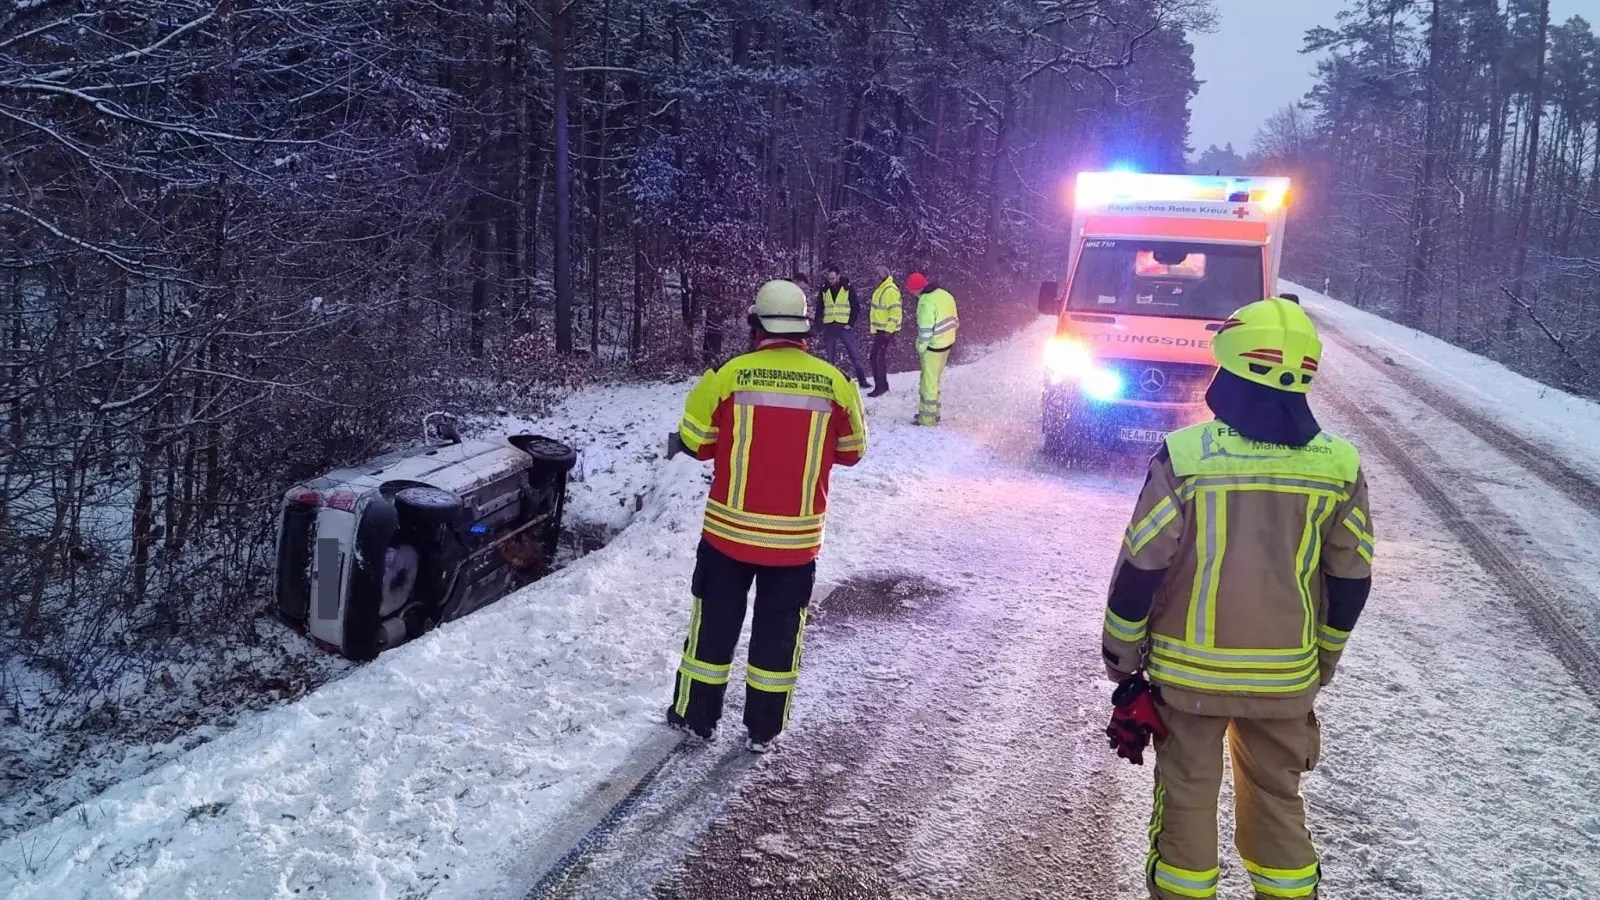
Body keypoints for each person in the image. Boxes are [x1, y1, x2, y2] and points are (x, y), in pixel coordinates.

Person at [1100, 297, 1374, 900]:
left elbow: (1142, 566)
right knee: (1278, 804)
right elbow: (1352, 579)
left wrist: (1121, 658)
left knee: (1188, 803)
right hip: (1284, 681)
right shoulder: (1340, 467)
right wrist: (1321, 661)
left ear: (1229, 371)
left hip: (1189, 682)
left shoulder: (1187, 457)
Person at [666, 279, 868, 753]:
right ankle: (762, 729)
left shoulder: (729, 375)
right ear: (805, 329)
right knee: (779, 636)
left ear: (755, 324)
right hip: (795, 544)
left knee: (713, 628)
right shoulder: (835, 384)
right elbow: (853, 451)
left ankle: (697, 718)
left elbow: (695, 442)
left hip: (727, 537)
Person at [908, 272, 958, 426]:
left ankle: (927, 419)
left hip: (933, 347)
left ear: (917, 289)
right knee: (935, 380)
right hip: (947, 343)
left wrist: (920, 347)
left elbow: (925, 330)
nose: (912, 295)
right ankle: (934, 412)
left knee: (928, 382)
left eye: (912, 291)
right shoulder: (945, 294)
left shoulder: (925, 302)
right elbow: (955, 320)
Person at [817, 267, 870, 387]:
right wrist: (819, 324)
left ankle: (862, 380)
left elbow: (855, 306)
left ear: (838, 276)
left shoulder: (847, 288)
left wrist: (850, 323)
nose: (831, 280)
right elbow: (820, 308)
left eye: (833, 278)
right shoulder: (824, 289)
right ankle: (830, 382)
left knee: (854, 354)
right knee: (830, 357)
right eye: (829, 278)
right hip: (829, 326)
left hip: (844, 326)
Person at [867, 266, 902, 397]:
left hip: (885, 330)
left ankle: (880, 387)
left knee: (876, 357)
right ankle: (882, 385)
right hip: (881, 330)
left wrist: (889, 331)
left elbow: (896, 312)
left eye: (875, 276)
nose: (873, 278)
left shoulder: (889, 291)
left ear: (881, 277)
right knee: (878, 357)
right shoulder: (883, 289)